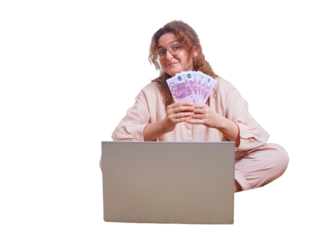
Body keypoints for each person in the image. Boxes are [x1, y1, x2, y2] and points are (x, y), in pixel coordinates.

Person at [99, 20, 289, 194]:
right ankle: (190, 191)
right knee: (106, 159)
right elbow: (120, 135)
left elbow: (258, 136)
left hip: (213, 170)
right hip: (166, 168)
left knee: (278, 155)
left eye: (176, 47)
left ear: (195, 49)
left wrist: (219, 122)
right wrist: (164, 126)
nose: (168, 55)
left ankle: (209, 191)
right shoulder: (150, 92)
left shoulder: (222, 88)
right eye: (162, 51)